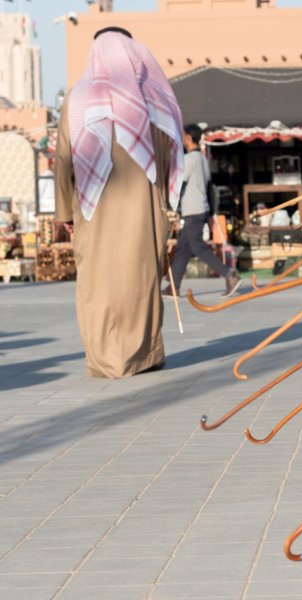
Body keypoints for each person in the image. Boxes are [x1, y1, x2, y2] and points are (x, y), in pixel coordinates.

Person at [54, 27, 183, 379]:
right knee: (141, 279)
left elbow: (63, 160)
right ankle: (144, 355)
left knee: (98, 283)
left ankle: (103, 360)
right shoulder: (156, 99)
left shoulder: (78, 99)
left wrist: (64, 212)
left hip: (93, 210)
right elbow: (172, 154)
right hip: (145, 210)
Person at [162, 124, 241, 298]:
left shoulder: (190, 160)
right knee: (183, 248)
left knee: (197, 247)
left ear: (189, 137)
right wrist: (211, 212)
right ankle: (173, 286)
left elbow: (179, 182)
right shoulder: (203, 159)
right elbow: (209, 187)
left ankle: (229, 275)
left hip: (193, 209)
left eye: (183, 136)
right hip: (201, 208)